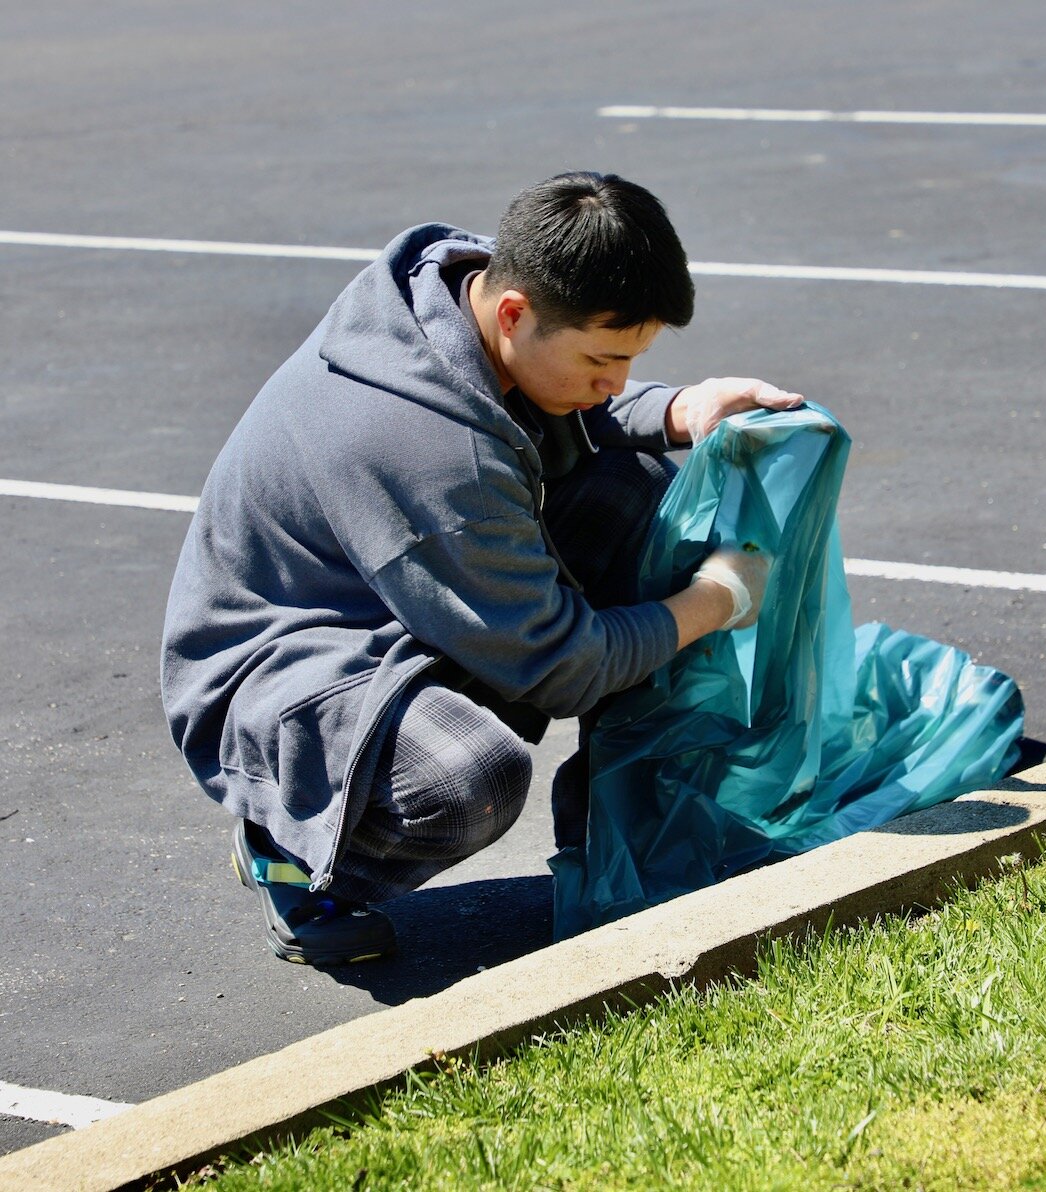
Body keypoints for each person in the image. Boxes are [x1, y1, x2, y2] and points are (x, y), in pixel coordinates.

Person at [160, 172, 803, 965]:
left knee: (643, 507)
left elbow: (574, 401)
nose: (614, 382)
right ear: (512, 314)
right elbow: (563, 666)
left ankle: (622, 823)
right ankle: (290, 847)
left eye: (630, 360)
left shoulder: (471, 292)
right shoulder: (429, 446)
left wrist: (680, 408)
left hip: (390, 591)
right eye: (604, 359)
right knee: (470, 780)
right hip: (282, 673)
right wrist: (714, 600)